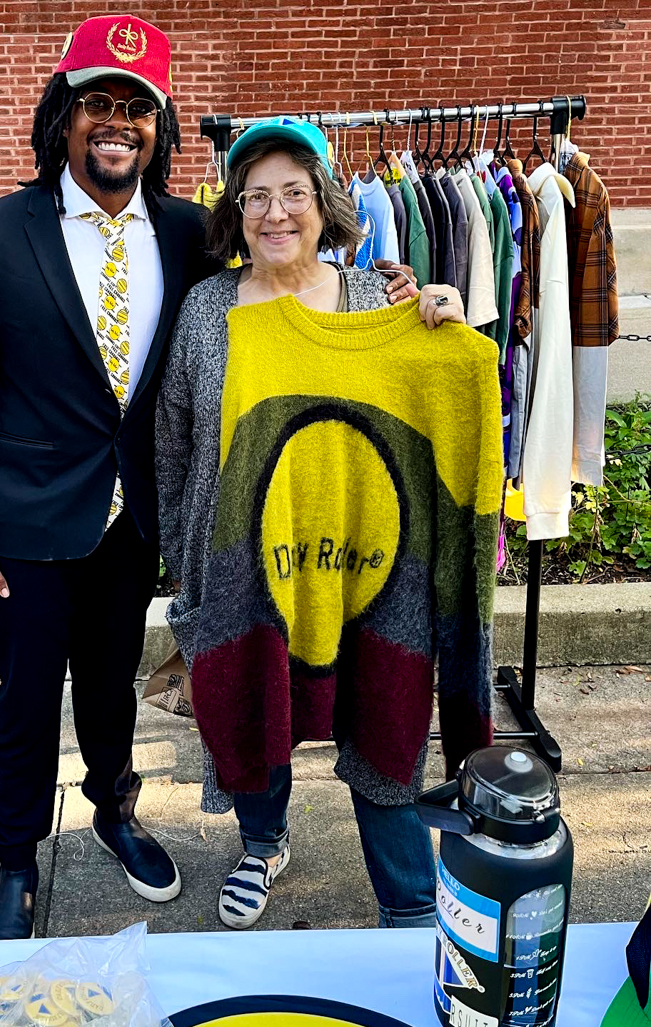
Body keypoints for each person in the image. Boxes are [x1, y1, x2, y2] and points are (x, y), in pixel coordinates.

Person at [0, 16, 420, 940]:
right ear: (62, 120)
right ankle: (16, 857)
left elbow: (284, 294)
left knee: (112, 684)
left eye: (137, 108)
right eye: (96, 106)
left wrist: (391, 289)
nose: (117, 124)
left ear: (156, 129)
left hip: (132, 522)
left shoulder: (192, 231)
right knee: (28, 695)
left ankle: (116, 811)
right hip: (26, 521)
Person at [155, 117, 475, 932]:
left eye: (293, 192)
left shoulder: (376, 296)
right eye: (255, 195)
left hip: (360, 564)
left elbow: (434, 394)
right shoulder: (206, 309)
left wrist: (451, 319)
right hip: (243, 563)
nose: (275, 213)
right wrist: (183, 554)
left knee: (382, 714)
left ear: (324, 203)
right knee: (256, 707)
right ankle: (263, 843)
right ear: (234, 210)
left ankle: (407, 895)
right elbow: (175, 439)